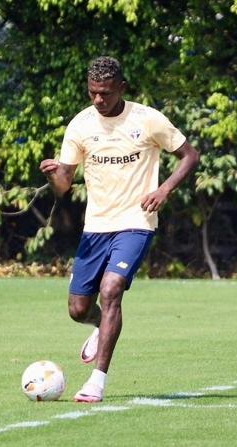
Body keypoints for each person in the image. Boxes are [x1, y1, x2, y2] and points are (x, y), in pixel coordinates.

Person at [40, 56, 199, 403]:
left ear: (121, 88)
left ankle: (97, 380)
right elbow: (64, 186)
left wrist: (164, 189)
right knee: (78, 309)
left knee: (111, 289)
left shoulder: (147, 120)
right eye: (93, 93)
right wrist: (55, 173)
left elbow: (190, 155)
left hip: (136, 223)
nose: (99, 100)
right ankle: (100, 327)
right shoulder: (80, 125)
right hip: (95, 227)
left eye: (106, 94)